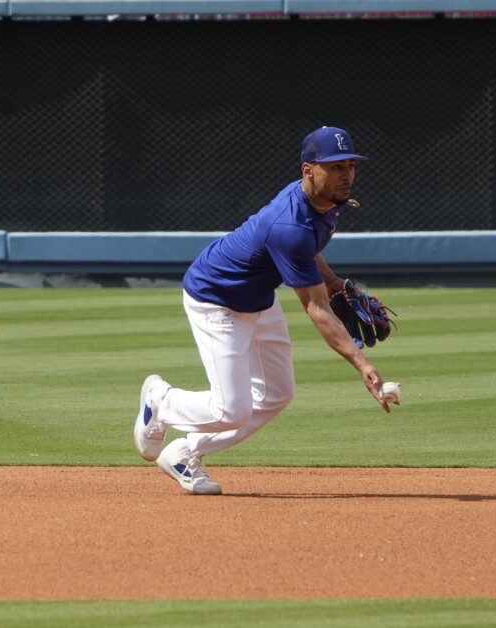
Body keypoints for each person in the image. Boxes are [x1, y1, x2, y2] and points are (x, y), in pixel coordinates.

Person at [134, 126, 394, 495]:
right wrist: (362, 363)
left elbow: (308, 250)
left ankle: (185, 452)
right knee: (231, 410)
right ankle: (162, 401)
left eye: (350, 165)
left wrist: (333, 280)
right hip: (216, 299)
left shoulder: (324, 202)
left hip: (258, 297)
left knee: (277, 392)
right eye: (336, 167)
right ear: (309, 171)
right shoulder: (288, 224)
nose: (347, 174)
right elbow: (317, 310)